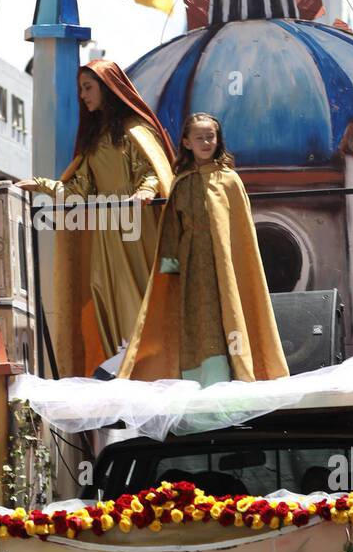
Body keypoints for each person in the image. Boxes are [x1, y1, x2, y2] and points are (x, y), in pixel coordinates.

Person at [18, 61, 175, 377]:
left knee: (134, 286)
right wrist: (42, 185)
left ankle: (140, 353)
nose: (83, 95)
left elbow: (150, 172)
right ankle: (123, 351)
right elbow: (79, 192)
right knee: (103, 287)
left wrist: (145, 192)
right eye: (80, 89)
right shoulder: (95, 140)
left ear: (107, 87)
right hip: (107, 229)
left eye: (88, 87)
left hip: (136, 224)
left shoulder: (136, 131)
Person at [120, 112, 289, 385]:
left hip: (225, 265)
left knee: (229, 315)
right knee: (199, 322)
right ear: (187, 142)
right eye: (199, 137)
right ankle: (202, 379)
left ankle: (237, 373)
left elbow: (239, 230)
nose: (206, 142)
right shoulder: (182, 182)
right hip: (192, 267)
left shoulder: (229, 179)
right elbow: (173, 226)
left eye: (210, 136)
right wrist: (172, 262)